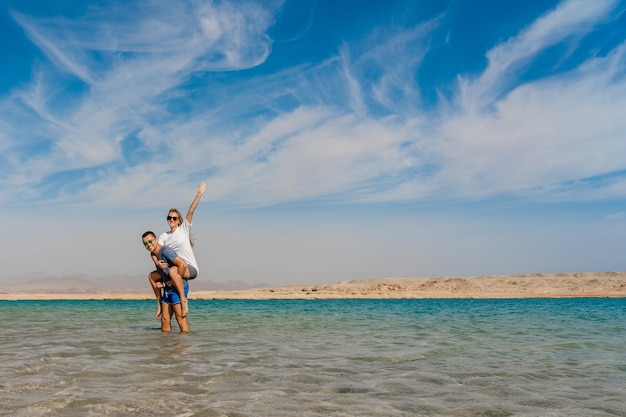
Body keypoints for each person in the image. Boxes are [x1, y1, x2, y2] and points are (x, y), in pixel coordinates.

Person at [148, 182, 206, 318]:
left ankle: (183, 300)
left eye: (174, 218)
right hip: (174, 270)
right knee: (152, 276)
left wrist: (199, 194)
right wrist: (156, 262)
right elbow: (153, 250)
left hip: (189, 268)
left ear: (179, 220)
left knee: (174, 271)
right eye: (169, 218)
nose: (171, 220)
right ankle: (159, 303)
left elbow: (191, 211)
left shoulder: (184, 230)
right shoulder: (164, 236)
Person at [142, 231, 190, 333]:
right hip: (167, 288)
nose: (148, 245)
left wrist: (174, 280)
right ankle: (165, 347)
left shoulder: (165, 251)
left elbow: (183, 265)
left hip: (177, 288)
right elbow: (163, 272)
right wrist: (161, 283)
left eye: (150, 241)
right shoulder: (154, 254)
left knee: (180, 318)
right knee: (165, 320)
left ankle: (184, 346)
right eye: (145, 244)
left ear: (156, 239)